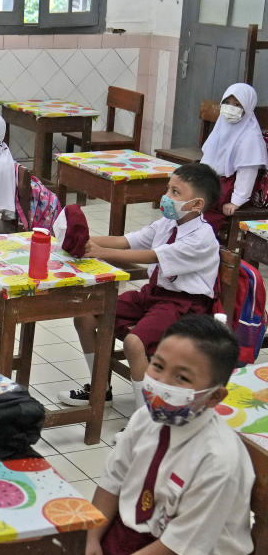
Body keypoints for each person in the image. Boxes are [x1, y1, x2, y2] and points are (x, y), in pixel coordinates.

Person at [79, 315, 252, 555]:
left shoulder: (219, 459)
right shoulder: (145, 418)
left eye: (181, 378)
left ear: (214, 397)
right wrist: (91, 537)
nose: (162, 382)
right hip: (129, 530)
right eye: (157, 366)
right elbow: (112, 482)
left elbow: (179, 545)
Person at [58, 163, 221, 407]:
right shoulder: (168, 223)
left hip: (185, 306)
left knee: (135, 343)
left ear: (197, 204)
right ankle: (100, 388)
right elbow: (127, 241)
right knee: (86, 314)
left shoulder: (203, 238)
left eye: (175, 193)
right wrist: (81, 240)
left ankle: (147, 417)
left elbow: (153, 255)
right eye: (168, 189)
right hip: (153, 295)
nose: (166, 197)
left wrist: (100, 251)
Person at [199, 82, 268, 234]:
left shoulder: (251, 137)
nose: (231, 108)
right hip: (213, 182)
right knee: (186, 210)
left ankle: (198, 246)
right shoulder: (221, 126)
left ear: (248, 107)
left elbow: (247, 174)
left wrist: (236, 201)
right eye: (227, 103)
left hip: (230, 188)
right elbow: (208, 159)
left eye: (237, 104)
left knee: (204, 221)